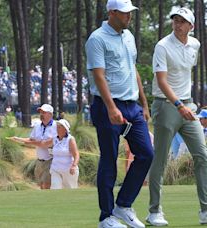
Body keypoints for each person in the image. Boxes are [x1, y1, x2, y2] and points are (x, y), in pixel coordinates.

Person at [85, 0, 154, 227]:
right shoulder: (97, 39)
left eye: (130, 12)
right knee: (109, 159)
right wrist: (111, 107)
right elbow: (99, 75)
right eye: (125, 13)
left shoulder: (129, 36)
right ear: (112, 12)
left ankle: (123, 205)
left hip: (132, 106)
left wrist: (144, 103)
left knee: (146, 154)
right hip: (107, 107)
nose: (129, 16)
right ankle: (106, 217)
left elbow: (132, 69)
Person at [148, 7, 207, 226]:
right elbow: (162, 81)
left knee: (202, 156)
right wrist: (179, 105)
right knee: (161, 160)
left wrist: (187, 105)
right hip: (166, 106)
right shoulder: (162, 46)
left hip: (187, 106)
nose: (177, 24)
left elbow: (185, 73)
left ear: (191, 26)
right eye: (175, 20)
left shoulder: (195, 44)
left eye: (183, 21)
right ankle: (154, 211)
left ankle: (205, 210)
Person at [43, 119, 80, 189]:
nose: (57, 128)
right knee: (55, 189)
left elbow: (76, 154)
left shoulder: (70, 139)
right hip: (55, 169)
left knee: (70, 190)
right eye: (57, 126)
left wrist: (74, 166)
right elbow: (42, 144)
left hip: (69, 170)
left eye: (60, 126)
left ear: (65, 129)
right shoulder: (54, 139)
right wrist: (23, 141)